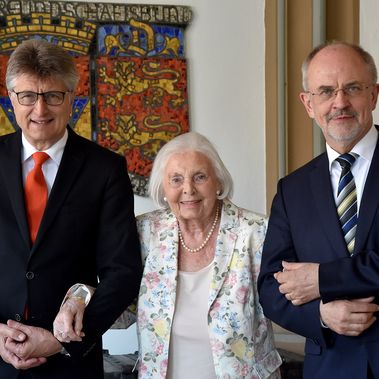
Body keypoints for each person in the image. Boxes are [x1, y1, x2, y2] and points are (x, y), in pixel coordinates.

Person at [53, 131, 282, 378]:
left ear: (218, 182)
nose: (188, 189)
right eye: (176, 179)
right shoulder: (145, 232)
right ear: (163, 188)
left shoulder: (256, 232)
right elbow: (121, 306)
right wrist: (79, 298)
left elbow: (284, 302)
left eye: (200, 177)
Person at [0, 38, 142, 378]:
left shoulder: (105, 169)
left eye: (52, 96)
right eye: (28, 96)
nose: (40, 110)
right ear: (11, 100)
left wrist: (58, 340)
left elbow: (122, 271)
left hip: (70, 362)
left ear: (72, 98)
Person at [258, 40, 379, 379]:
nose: (339, 102)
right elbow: (269, 286)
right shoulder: (291, 190)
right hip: (329, 367)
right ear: (308, 104)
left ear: (373, 95)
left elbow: (311, 278)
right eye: (325, 91)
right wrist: (321, 315)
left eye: (352, 88)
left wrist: (322, 278)